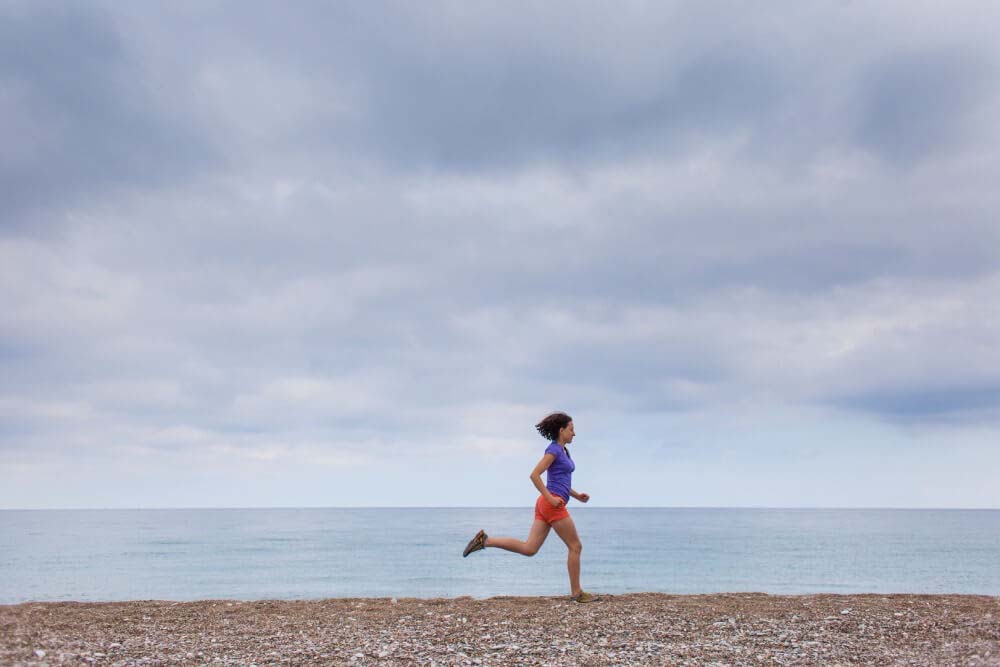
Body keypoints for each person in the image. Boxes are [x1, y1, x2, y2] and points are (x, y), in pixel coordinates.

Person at [462, 411, 598, 603]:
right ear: (561, 430)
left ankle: (485, 540)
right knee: (575, 546)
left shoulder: (564, 451)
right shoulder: (554, 450)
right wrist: (551, 499)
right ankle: (577, 593)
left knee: (529, 548)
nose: (574, 433)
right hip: (551, 504)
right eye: (571, 429)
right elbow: (534, 475)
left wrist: (577, 496)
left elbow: (559, 481)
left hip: (546, 504)